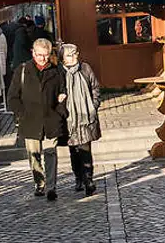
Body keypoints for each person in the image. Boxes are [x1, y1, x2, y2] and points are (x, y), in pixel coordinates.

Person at [7, 38, 68, 200]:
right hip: (30, 120)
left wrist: (60, 111)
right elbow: (12, 97)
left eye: (46, 55)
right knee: (34, 155)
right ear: (33, 53)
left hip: (51, 119)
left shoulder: (56, 71)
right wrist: (21, 113)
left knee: (51, 153)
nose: (42, 58)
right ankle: (39, 183)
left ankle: (51, 186)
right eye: (39, 55)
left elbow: (63, 94)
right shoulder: (22, 70)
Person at [59, 43, 102, 196]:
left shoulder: (85, 68)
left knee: (85, 150)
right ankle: (78, 177)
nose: (74, 57)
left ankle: (89, 180)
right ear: (63, 59)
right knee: (74, 151)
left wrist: (93, 105)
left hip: (85, 116)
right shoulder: (59, 73)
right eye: (69, 55)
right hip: (69, 118)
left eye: (75, 53)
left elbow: (95, 87)